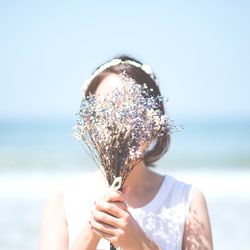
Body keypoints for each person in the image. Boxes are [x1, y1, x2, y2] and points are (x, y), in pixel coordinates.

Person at [39, 55, 213, 250]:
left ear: (154, 122)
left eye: (132, 111)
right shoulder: (63, 197)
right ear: (89, 121)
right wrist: (93, 231)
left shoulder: (186, 199)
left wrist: (138, 242)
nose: (120, 124)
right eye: (107, 109)